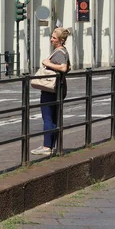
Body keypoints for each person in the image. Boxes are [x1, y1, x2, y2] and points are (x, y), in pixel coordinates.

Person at [31, 27, 71, 156]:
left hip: (51, 89)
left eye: (54, 38)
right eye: (52, 37)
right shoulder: (64, 52)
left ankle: (47, 146)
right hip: (59, 88)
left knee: (48, 118)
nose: (51, 39)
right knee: (54, 118)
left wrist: (46, 63)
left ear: (61, 40)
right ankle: (52, 146)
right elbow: (68, 67)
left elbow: (64, 68)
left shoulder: (59, 52)